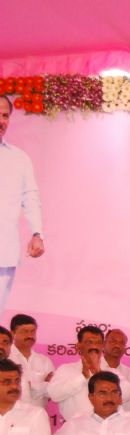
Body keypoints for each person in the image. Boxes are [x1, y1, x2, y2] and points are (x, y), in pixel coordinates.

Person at [0, 95, 45, 316]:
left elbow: (30, 198)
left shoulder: (19, 158)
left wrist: (37, 233)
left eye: (5, 116)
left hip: (3, 251)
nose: (1, 121)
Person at [49, 326, 130, 421]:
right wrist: (83, 377)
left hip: (108, 427)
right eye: (89, 342)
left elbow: (127, 394)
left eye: (98, 343)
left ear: (102, 346)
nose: (94, 346)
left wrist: (99, 374)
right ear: (79, 346)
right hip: (76, 427)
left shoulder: (112, 372)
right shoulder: (66, 369)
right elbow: (54, 394)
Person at [8, 314, 53, 409]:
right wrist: (43, 386)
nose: (30, 335)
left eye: (33, 332)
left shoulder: (44, 361)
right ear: (12, 333)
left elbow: (53, 391)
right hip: (10, 414)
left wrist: (29, 386)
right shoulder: (6, 359)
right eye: (25, 331)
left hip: (39, 415)